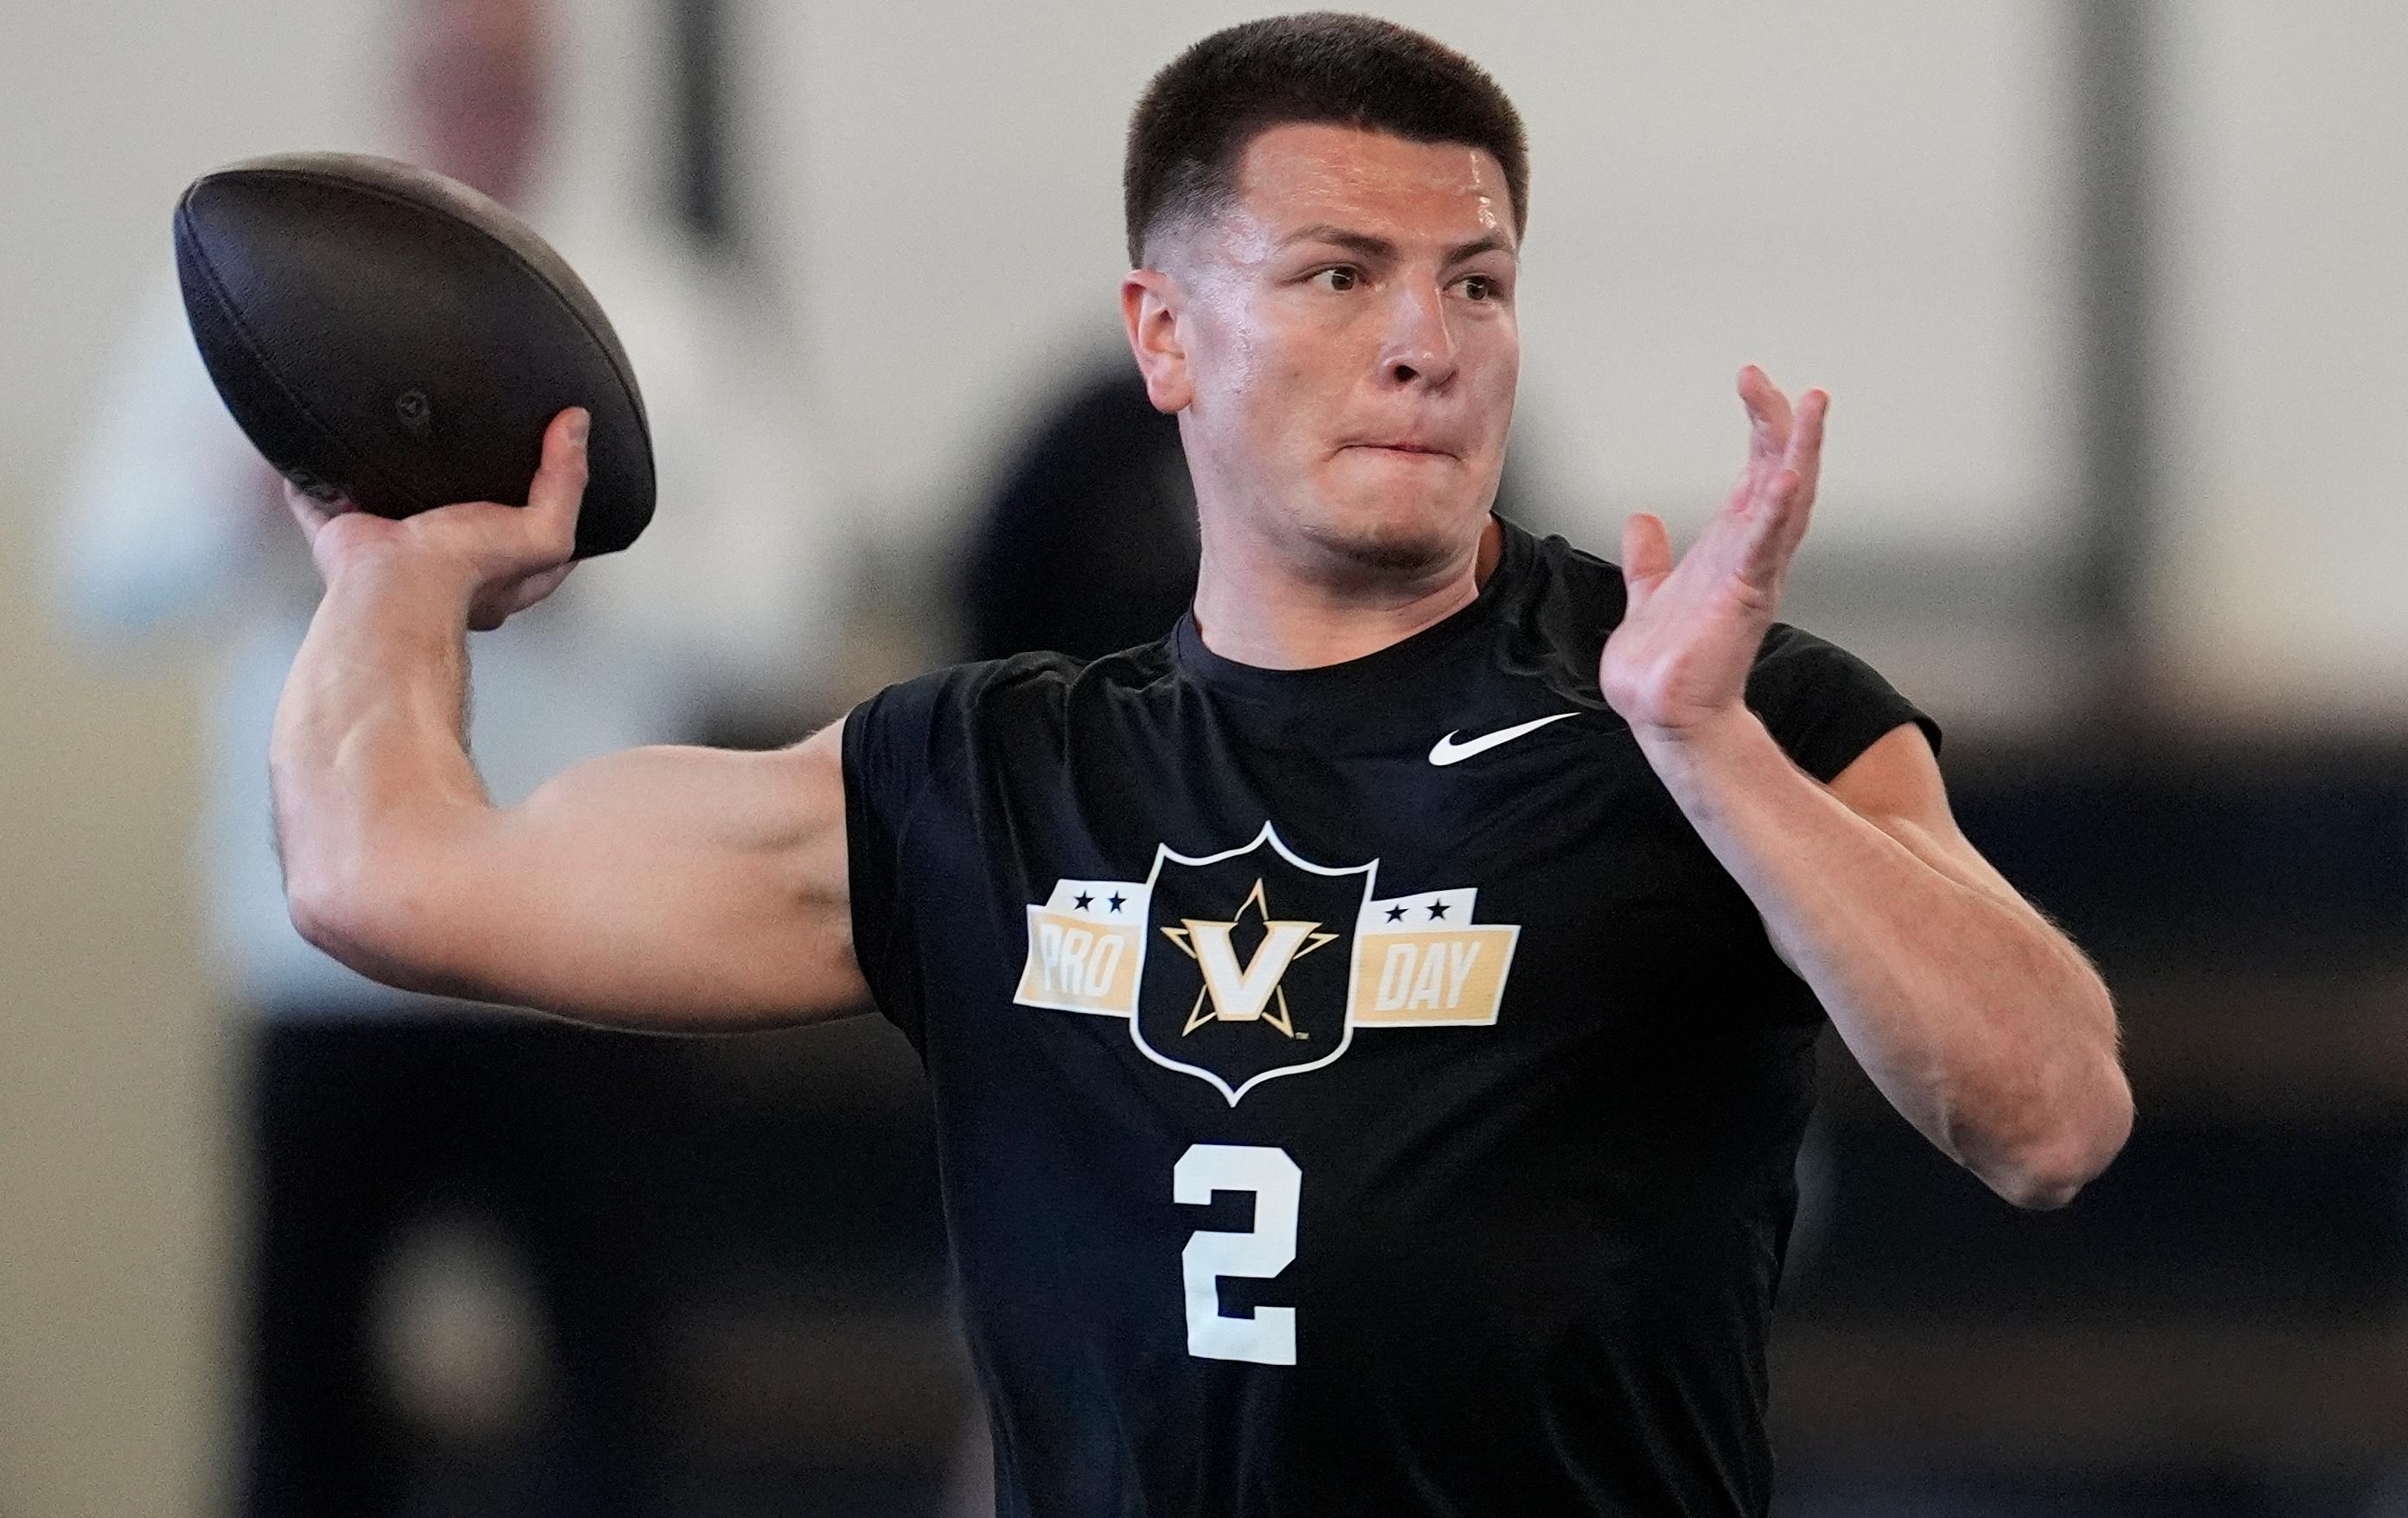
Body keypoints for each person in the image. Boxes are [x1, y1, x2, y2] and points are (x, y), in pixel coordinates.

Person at [264, 14, 2132, 1516]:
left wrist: (1718, 756)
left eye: (1475, 284)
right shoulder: (993, 780)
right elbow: (390, 873)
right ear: (1163, 332)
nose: (1425, 343)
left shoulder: (1708, 707)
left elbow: (2050, 1111)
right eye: (1339, 275)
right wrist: (393, 573)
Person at [53, 0, 838, 1511]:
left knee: (617, 1402)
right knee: (308, 1409)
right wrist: (257, 496)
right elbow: (100, 583)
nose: (480, 105)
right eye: (450, 74)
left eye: (509, 78)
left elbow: (785, 600)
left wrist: (549, 565)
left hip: (594, 955)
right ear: (399, 83)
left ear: (556, 92)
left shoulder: (663, 313)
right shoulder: (248, 313)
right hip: (319, 956)